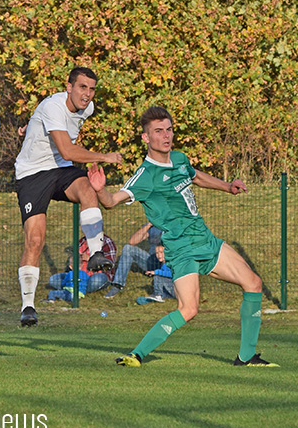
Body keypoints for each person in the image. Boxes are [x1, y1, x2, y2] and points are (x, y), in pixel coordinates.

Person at [88, 106, 277, 367]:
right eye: (158, 131)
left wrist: (227, 186)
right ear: (146, 138)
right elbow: (111, 202)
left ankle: (247, 357)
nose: (166, 136)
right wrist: (100, 191)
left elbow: (195, 176)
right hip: (181, 249)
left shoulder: (179, 158)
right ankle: (136, 355)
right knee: (189, 310)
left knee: (254, 283)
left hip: (205, 239)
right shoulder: (145, 176)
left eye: (168, 129)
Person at [14, 66, 123, 327]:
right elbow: (67, 149)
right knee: (36, 239)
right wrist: (103, 156)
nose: (87, 94)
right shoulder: (53, 105)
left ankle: (96, 253)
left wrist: (28, 127)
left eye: (92, 88)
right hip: (32, 174)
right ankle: (28, 306)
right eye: (82, 87)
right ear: (69, 86)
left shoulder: (89, 108)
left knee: (87, 187)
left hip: (60, 169)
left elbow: (57, 133)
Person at [47, 236, 117, 301]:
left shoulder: (106, 242)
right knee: (53, 280)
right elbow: (73, 261)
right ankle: (77, 289)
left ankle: (75, 290)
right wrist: (75, 258)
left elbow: (109, 265)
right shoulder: (82, 241)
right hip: (78, 275)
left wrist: (90, 259)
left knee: (97, 280)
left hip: (93, 277)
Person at [104, 222, 163, 298]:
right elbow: (132, 241)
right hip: (152, 262)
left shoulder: (175, 223)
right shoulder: (153, 226)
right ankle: (118, 284)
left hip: (170, 263)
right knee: (128, 248)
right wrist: (149, 225)